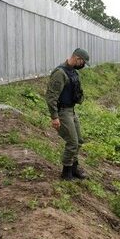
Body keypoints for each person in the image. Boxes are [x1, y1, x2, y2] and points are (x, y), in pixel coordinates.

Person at [45, 48, 90, 180]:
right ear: (77, 58)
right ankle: (66, 171)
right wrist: (54, 117)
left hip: (71, 110)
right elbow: (51, 97)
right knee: (72, 142)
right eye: (82, 62)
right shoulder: (60, 73)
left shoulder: (73, 72)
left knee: (79, 141)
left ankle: (74, 168)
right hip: (63, 112)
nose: (82, 65)